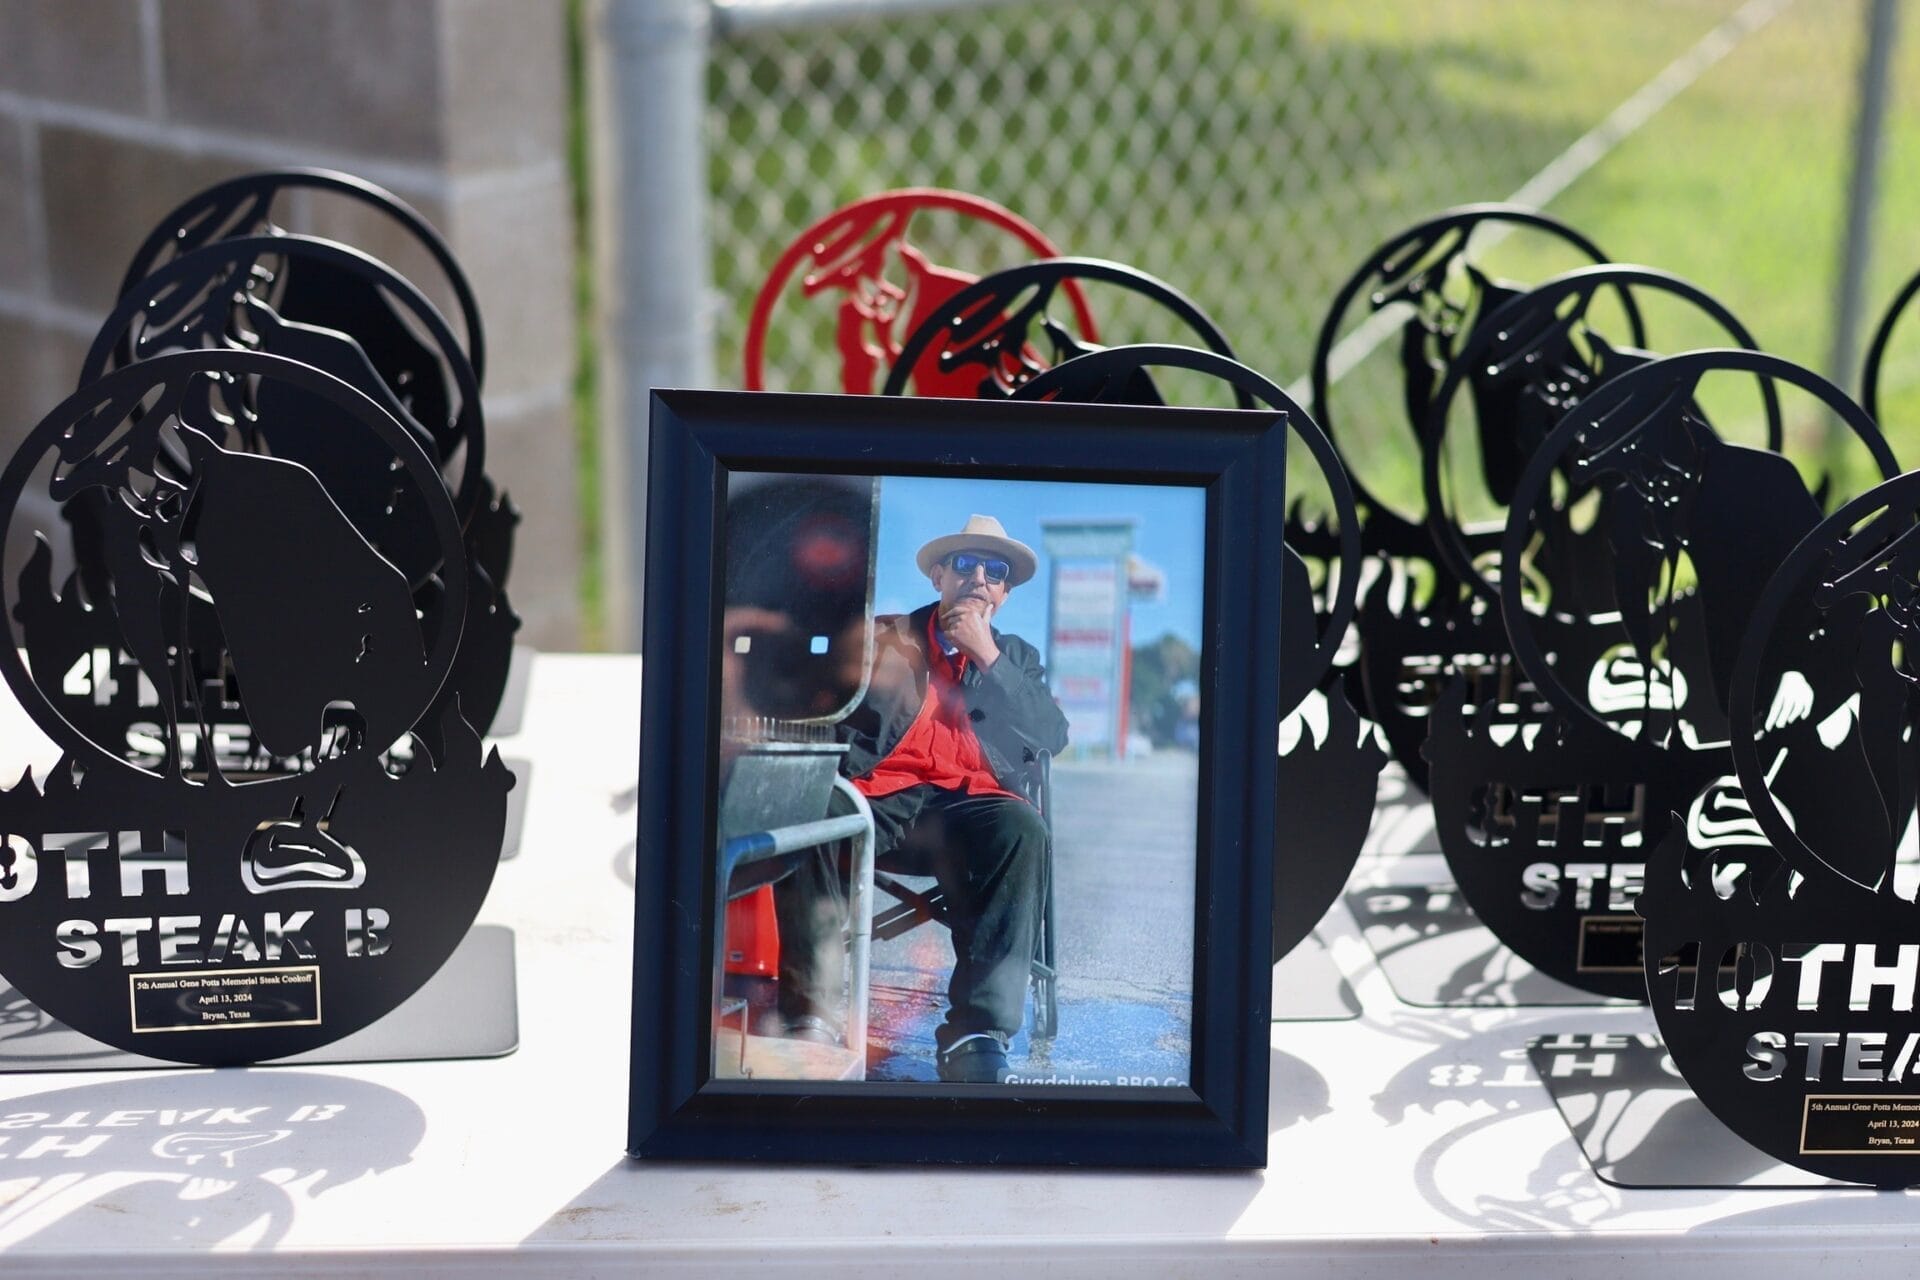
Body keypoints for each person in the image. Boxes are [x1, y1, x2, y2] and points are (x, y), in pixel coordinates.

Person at [774, 514, 1069, 1083]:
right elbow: (815, 695)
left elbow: (1051, 735)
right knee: (812, 810)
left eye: (995, 570)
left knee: (1022, 828)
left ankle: (977, 1031)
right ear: (939, 576)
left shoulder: (1019, 661)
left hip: (971, 814)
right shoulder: (883, 637)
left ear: (1004, 594)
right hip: (878, 799)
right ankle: (812, 1012)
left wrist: (989, 658)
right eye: (965, 564)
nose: (979, 576)